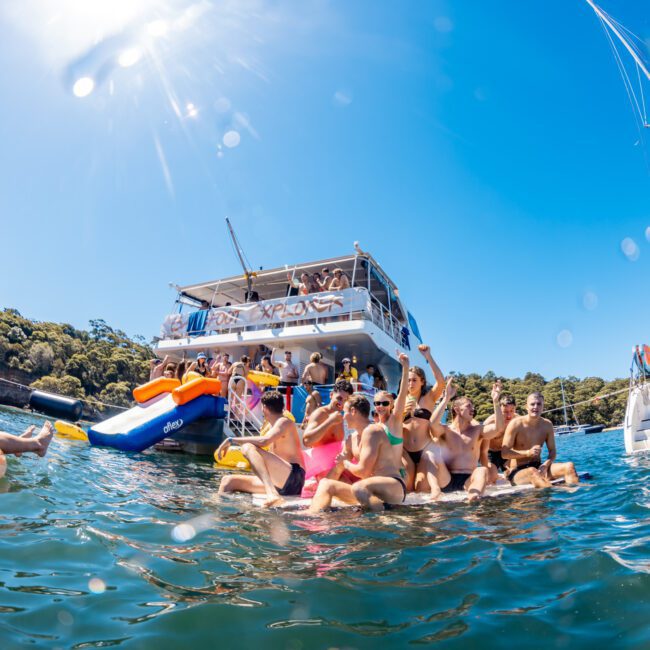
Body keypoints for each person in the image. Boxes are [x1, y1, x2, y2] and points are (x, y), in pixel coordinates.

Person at [309, 354, 411, 513]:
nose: (343, 415)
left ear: (353, 411)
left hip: (393, 486)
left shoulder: (373, 430)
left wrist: (346, 463)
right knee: (325, 484)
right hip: (367, 490)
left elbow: (362, 471)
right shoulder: (351, 439)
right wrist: (315, 488)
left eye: (345, 412)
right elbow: (337, 469)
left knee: (359, 488)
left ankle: (386, 522)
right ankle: (313, 520)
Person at [216, 391, 305, 507]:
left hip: (294, 477)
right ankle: (220, 513)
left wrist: (231, 440)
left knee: (247, 447)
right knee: (227, 481)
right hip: (281, 480)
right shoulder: (274, 426)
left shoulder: (284, 422)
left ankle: (271, 493)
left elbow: (264, 441)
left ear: (264, 408)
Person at [427, 378, 504, 502]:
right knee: (431, 454)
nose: (472, 409)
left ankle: (473, 498)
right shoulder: (446, 430)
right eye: (469, 406)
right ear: (457, 410)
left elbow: (498, 428)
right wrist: (446, 398)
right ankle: (435, 491)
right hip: (447, 478)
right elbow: (432, 424)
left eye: (473, 407)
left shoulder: (477, 430)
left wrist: (495, 401)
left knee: (482, 470)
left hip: (469, 480)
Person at [501, 392, 579, 488]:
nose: (535, 407)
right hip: (517, 471)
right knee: (532, 471)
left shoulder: (547, 425)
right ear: (526, 406)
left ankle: (577, 498)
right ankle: (553, 498)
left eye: (539, 404)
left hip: (538, 466)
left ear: (543, 406)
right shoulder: (516, 424)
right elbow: (504, 453)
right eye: (532, 404)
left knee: (569, 466)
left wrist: (546, 465)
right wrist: (527, 453)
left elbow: (552, 451)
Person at [401, 345, 445, 490]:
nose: (410, 383)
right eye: (408, 380)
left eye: (414, 380)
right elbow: (392, 424)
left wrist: (428, 357)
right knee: (407, 488)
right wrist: (401, 414)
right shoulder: (400, 400)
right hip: (406, 451)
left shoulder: (429, 398)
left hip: (425, 449)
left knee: (420, 487)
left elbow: (441, 382)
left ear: (422, 382)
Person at [302, 380, 354, 448]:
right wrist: (330, 421)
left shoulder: (339, 416)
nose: (342, 403)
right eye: (339, 398)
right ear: (331, 395)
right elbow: (306, 441)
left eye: (345, 400)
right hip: (319, 458)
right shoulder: (320, 413)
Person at [480, 395, 518, 484]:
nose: (509, 415)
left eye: (512, 411)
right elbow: (482, 450)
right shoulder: (490, 422)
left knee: (513, 475)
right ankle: (494, 474)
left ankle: (505, 473)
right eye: (505, 412)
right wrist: (486, 467)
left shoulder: (517, 420)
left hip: (506, 452)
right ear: (499, 411)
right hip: (491, 453)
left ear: (515, 409)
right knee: (491, 479)